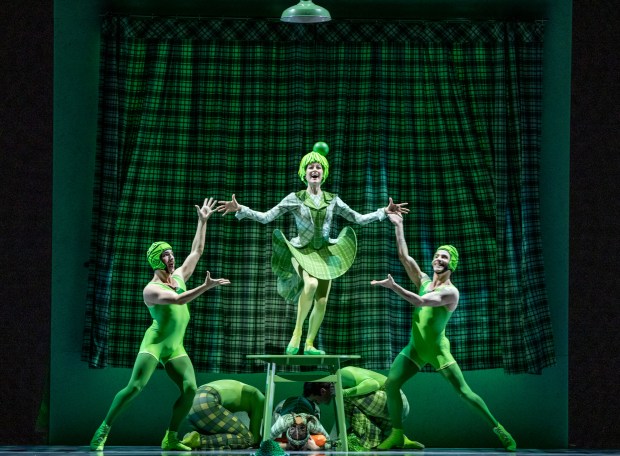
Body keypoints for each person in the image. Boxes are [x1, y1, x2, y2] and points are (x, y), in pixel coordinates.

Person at [217, 142, 408, 355]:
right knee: (310, 284)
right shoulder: (295, 198)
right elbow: (266, 217)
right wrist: (241, 208)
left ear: (323, 173)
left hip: (325, 254)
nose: (314, 170)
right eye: (310, 167)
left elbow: (359, 219)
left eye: (318, 167)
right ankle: (296, 335)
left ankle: (309, 344)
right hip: (301, 251)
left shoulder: (332, 200)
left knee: (323, 299)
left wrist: (384, 211)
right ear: (304, 173)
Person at [89, 198, 231, 451]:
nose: (172, 257)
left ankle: (171, 437)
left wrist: (202, 221)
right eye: (166, 255)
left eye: (172, 253)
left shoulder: (178, 277)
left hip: (175, 347)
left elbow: (196, 252)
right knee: (135, 387)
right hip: (155, 344)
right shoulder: (150, 290)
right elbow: (178, 300)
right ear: (156, 260)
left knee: (190, 389)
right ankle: (103, 429)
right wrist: (206, 287)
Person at [370, 213, 517, 451]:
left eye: (444, 256)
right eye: (437, 255)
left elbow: (419, 302)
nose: (439, 258)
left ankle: (499, 429)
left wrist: (393, 286)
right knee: (391, 384)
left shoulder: (451, 292)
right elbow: (404, 257)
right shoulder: (425, 280)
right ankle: (398, 435)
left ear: (452, 264)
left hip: (438, 351)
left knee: (465, 393)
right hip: (415, 348)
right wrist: (399, 225)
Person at [340, 366, 423, 450]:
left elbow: (373, 384)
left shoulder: (343, 373)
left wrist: (345, 392)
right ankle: (398, 440)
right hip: (388, 411)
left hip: (395, 402)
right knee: (342, 397)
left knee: (344, 397)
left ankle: (372, 440)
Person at [181, 379, 264, 450]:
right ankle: (200, 440)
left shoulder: (245, 394)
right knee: (248, 439)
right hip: (207, 399)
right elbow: (255, 439)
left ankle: (191, 438)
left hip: (190, 402)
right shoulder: (260, 398)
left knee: (219, 435)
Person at [270, 382, 333, 451]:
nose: (298, 446)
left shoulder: (313, 423)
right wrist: (287, 446)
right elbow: (264, 444)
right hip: (283, 408)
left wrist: (316, 448)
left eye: (302, 428)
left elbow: (329, 442)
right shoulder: (282, 423)